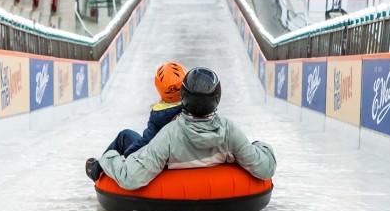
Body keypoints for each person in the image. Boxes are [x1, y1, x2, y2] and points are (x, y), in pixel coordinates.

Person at [88, 68, 276, 190]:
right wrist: (261, 146)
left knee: (125, 137)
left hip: (165, 164)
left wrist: (109, 158)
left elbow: (131, 178)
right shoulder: (229, 131)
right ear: (217, 98)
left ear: (183, 96)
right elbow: (265, 167)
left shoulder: (170, 134)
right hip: (227, 195)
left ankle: (95, 169)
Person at [87, 63, 187, 175]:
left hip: (162, 160)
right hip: (186, 157)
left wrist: (126, 155)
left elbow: (146, 142)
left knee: (124, 135)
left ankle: (97, 169)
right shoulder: (196, 107)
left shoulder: (159, 115)